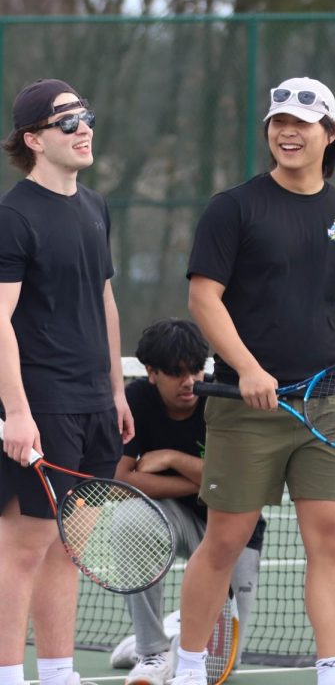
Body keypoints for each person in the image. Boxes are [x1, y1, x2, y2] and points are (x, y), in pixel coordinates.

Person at [169, 77, 335, 685]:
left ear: (330, 134)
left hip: (330, 406)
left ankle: (333, 671)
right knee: (226, 539)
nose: (288, 131)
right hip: (244, 406)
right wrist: (249, 368)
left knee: (332, 538)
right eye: (278, 121)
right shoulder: (232, 208)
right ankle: (189, 666)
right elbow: (203, 298)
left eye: (303, 123)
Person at [0, 78, 135, 685]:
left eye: (87, 116)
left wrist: (115, 390)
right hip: (41, 405)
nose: (83, 128)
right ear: (33, 139)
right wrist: (18, 412)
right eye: (66, 121)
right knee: (22, 550)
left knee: (68, 548)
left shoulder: (95, 206)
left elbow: (104, 303)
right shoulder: (11, 216)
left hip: (93, 405)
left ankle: (58, 674)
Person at [107, 318, 267, 685]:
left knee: (222, 668)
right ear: (151, 373)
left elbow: (241, 481)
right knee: (130, 518)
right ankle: (151, 650)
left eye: (195, 369)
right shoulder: (136, 400)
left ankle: (176, 627)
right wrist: (202, 481)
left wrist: (171, 459)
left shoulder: (223, 397)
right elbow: (119, 481)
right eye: (176, 373)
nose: (189, 381)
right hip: (172, 516)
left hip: (232, 526)